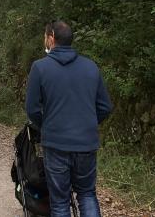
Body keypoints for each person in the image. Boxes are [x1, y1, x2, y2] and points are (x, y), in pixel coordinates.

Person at [25, 20, 113, 217]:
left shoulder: (40, 68)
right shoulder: (91, 67)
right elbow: (105, 107)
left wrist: (47, 126)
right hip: (86, 143)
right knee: (87, 194)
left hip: (56, 144)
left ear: (51, 38)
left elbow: (31, 109)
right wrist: (87, 124)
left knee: (60, 202)